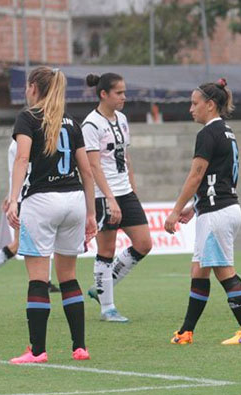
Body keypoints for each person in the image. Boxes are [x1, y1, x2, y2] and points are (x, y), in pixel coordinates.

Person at [6, 66, 97, 364]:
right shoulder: (72, 122)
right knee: (69, 277)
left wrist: (13, 199)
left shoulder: (28, 117)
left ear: (34, 87)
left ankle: (37, 351)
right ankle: (79, 347)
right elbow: (87, 170)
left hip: (42, 202)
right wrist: (91, 214)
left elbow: (21, 158)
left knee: (38, 279)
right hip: (73, 202)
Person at [164, 78, 241, 346]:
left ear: (210, 105)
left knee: (224, 271)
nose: (190, 109)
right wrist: (194, 207)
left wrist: (174, 212)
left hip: (218, 213)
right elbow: (218, 179)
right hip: (220, 208)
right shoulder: (226, 132)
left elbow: (196, 175)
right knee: (199, 270)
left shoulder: (208, 133)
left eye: (195, 104)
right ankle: (186, 331)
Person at [82, 72, 153, 322]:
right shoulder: (91, 124)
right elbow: (93, 167)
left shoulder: (122, 119)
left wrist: (132, 189)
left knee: (144, 243)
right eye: (119, 93)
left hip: (125, 192)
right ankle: (107, 308)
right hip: (104, 195)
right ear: (104, 94)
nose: (124, 96)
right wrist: (110, 199)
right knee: (107, 249)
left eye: (124, 92)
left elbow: (126, 157)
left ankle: (102, 286)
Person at [0, 140, 59, 295]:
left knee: (41, 239)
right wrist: (13, 199)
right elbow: (17, 171)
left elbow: (15, 173)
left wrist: (10, 196)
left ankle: (47, 282)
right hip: (26, 198)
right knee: (18, 244)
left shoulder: (24, 140)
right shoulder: (18, 144)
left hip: (31, 196)